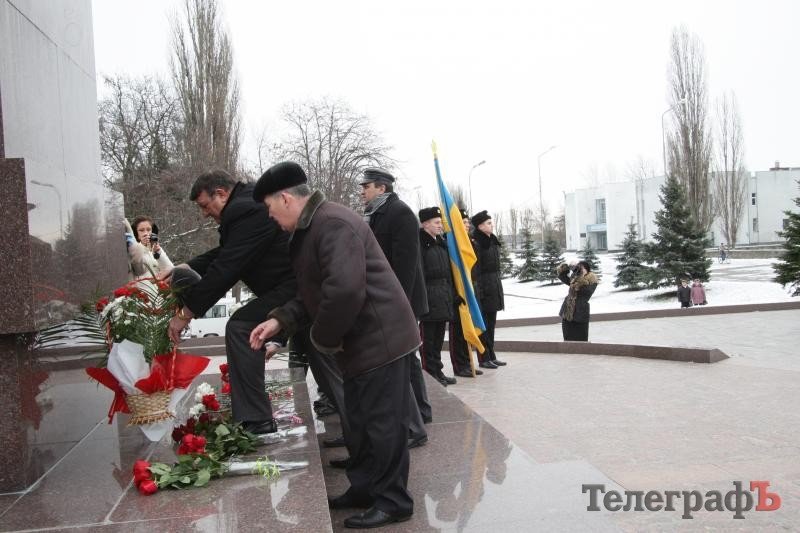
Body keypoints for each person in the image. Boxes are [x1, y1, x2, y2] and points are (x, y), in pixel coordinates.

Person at [249, 161, 416, 528]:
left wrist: (321, 340)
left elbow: (343, 292)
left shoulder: (331, 224)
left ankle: (393, 501)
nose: (270, 217)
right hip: (359, 343)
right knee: (357, 421)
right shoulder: (313, 228)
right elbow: (312, 292)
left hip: (380, 340)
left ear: (286, 198)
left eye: (270, 208)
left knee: (382, 425)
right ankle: (365, 488)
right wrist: (280, 320)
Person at [165, 169, 297, 435]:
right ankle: (349, 417)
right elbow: (228, 252)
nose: (204, 213)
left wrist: (185, 313)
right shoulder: (246, 204)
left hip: (294, 287)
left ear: (221, 194)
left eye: (205, 205)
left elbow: (227, 266)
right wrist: (187, 265)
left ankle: (257, 420)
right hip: (293, 284)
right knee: (325, 361)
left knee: (241, 326)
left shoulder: (244, 210)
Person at [360, 168, 432, 436]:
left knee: (407, 356)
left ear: (382, 188)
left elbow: (406, 265)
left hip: (403, 299)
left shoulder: (399, 213)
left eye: (366, 186)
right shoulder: (376, 214)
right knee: (405, 356)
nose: (361, 191)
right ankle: (419, 412)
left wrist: (394, 303)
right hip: (390, 298)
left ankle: (420, 414)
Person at [417, 206, 457, 387]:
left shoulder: (440, 243)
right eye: (437, 222)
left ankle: (437, 370)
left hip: (442, 296)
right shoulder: (420, 244)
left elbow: (448, 273)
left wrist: (452, 294)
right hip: (428, 298)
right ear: (425, 224)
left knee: (439, 338)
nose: (441, 226)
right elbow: (419, 275)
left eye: (441, 222)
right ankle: (429, 372)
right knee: (428, 340)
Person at [470, 210, 507, 369]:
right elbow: (476, 269)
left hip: (494, 285)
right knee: (483, 326)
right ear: (479, 226)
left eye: (491, 222)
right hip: (484, 287)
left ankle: (491, 355)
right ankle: (483, 357)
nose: (492, 225)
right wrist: (480, 290)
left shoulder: (491, 240)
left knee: (491, 325)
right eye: (488, 223)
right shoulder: (477, 242)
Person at [449, 208, 483, 378]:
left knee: (467, 329)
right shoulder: (453, 245)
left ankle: (467, 363)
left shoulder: (469, 242)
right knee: (457, 331)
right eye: (464, 222)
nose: (467, 225)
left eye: (468, 222)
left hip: (470, 289)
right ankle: (459, 365)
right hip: (458, 292)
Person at [557, 260, 599, 341]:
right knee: (567, 332)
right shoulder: (575, 279)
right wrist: (564, 269)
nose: (580, 269)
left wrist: (581, 279)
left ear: (587, 269)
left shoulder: (591, 279)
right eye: (579, 267)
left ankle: (581, 349)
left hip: (580, 310)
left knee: (580, 334)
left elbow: (587, 292)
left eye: (582, 268)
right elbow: (564, 278)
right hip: (568, 309)